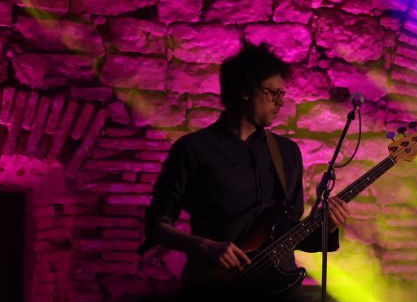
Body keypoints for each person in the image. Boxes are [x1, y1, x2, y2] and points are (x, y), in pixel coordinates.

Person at [143, 40, 347, 283]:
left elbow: (291, 235)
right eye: (272, 93)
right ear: (245, 91)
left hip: (275, 295)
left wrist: (328, 226)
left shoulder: (287, 153)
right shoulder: (193, 149)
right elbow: (157, 227)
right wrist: (206, 246)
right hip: (215, 289)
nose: (280, 102)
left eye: (282, 94)